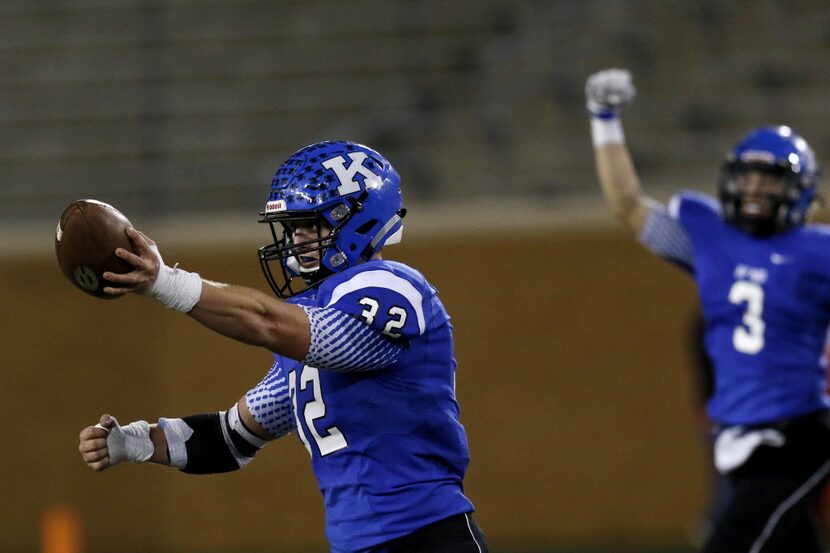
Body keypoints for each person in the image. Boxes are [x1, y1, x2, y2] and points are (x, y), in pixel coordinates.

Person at [77, 140, 488, 553]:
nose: (298, 240)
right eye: (293, 228)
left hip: (429, 537)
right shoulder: (313, 316)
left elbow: (268, 322)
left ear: (359, 219)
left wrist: (165, 282)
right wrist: (134, 442)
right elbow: (230, 437)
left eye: (313, 224)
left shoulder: (391, 285)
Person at [585, 68, 830, 553]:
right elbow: (627, 204)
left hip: (798, 434)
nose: (757, 191)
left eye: (771, 181)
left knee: (733, 541)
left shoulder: (816, 252)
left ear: (800, 190)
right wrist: (604, 118)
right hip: (737, 435)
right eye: (751, 179)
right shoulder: (713, 238)